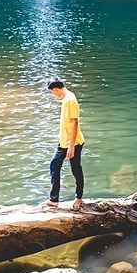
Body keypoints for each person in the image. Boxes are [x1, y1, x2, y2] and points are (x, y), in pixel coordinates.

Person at [43, 79, 85, 210]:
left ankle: (79, 198)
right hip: (63, 141)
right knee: (54, 165)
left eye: (52, 92)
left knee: (75, 169)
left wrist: (71, 145)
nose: (53, 95)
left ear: (56, 89)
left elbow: (74, 123)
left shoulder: (70, 100)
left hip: (73, 142)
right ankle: (53, 199)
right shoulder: (66, 98)